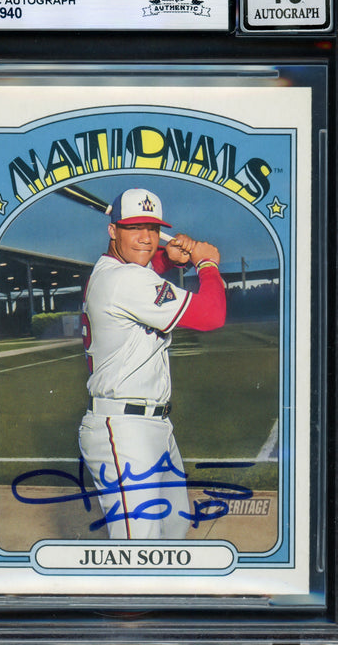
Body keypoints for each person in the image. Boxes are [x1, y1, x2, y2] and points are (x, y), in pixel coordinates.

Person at [79, 188, 226, 539]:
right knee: (138, 551)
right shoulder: (125, 280)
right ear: (113, 230)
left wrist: (168, 260)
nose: (146, 238)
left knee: (174, 529)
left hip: (151, 426)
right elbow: (211, 315)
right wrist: (206, 264)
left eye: (153, 229)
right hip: (124, 430)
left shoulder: (109, 271)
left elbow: (143, 270)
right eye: (133, 228)